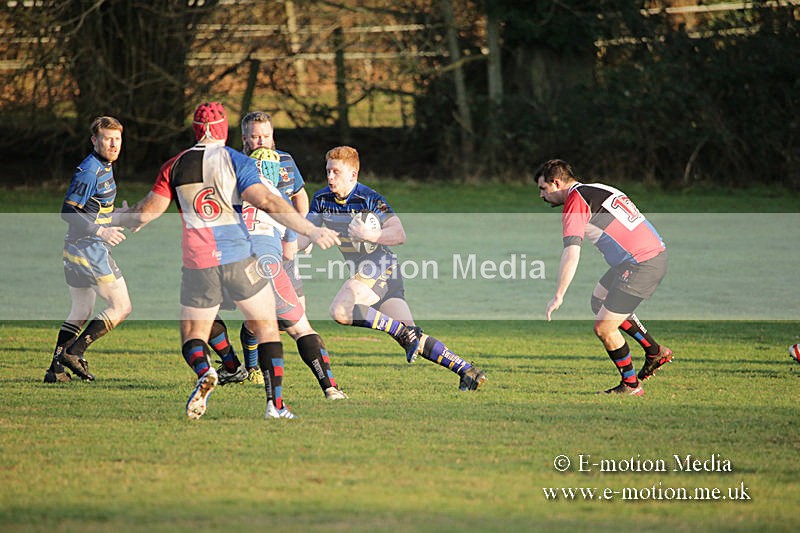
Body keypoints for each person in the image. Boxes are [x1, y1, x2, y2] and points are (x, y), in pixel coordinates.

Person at [116, 102, 340, 420]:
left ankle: (206, 369)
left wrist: (117, 219)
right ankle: (275, 405)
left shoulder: (175, 165)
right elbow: (267, 200)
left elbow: (145, 214)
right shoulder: (236, 161)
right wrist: (309, 230)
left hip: (199, 264)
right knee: (267, 330)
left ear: (195, 128)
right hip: (240, 259)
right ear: (226, 130)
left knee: (193, 335)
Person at [302, 145, 487, 391]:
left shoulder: (369, 198)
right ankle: (467, 371)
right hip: (373, 275)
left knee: (341, 310)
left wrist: (371, 234)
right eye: (328, 171)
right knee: (411, 337)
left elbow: (399, 233)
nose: (330, 177)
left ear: (353, 174)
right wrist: (284, 247)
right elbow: (303, 236)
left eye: (336, 172)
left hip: (380, 267)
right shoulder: (321, 199)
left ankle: (406, 333)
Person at [212, 147, 348, 401]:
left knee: (202, 311)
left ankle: (231, 365)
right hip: (266, 266)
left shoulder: (228, 195)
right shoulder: (279, 201)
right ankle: (330, 388)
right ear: (275, 174)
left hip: (228, 268)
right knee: (301, 329)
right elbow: (288, 252)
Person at [536, 159, 673, 396]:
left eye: (543, 189)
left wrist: (558, 295)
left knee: (604, 328)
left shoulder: (575, 202)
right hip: (648, 256)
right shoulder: (599, 188)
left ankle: (630, 385)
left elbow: (571, 252)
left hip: (641, 264)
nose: (541, 195)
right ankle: (654, 351)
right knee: (599, 301)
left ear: (556, 183)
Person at [44, 116, 132, 383]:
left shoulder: (105, 166)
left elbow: (93, 210)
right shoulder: (90, 170)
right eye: (107, 138)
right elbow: (68, 211)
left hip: (75, 248)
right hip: (88, 249)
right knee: (121, 307)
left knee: (81, 310)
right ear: (95, 140)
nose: (114, 144)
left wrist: (119, 217)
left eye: (117, 139)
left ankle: (55, 370)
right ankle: (75, 352)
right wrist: (101, 231)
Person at [233, 111, 310, 383]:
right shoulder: (237, 166)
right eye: (255, 136)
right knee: (261, 313)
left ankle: (255, 363)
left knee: (296, 313)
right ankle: (252, 368)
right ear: (244, 138)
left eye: (266, 135)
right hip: (252, 252)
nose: (262, 141)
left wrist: (302, 229)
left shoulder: (286, 162)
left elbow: (300, 195)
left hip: (286, 247)